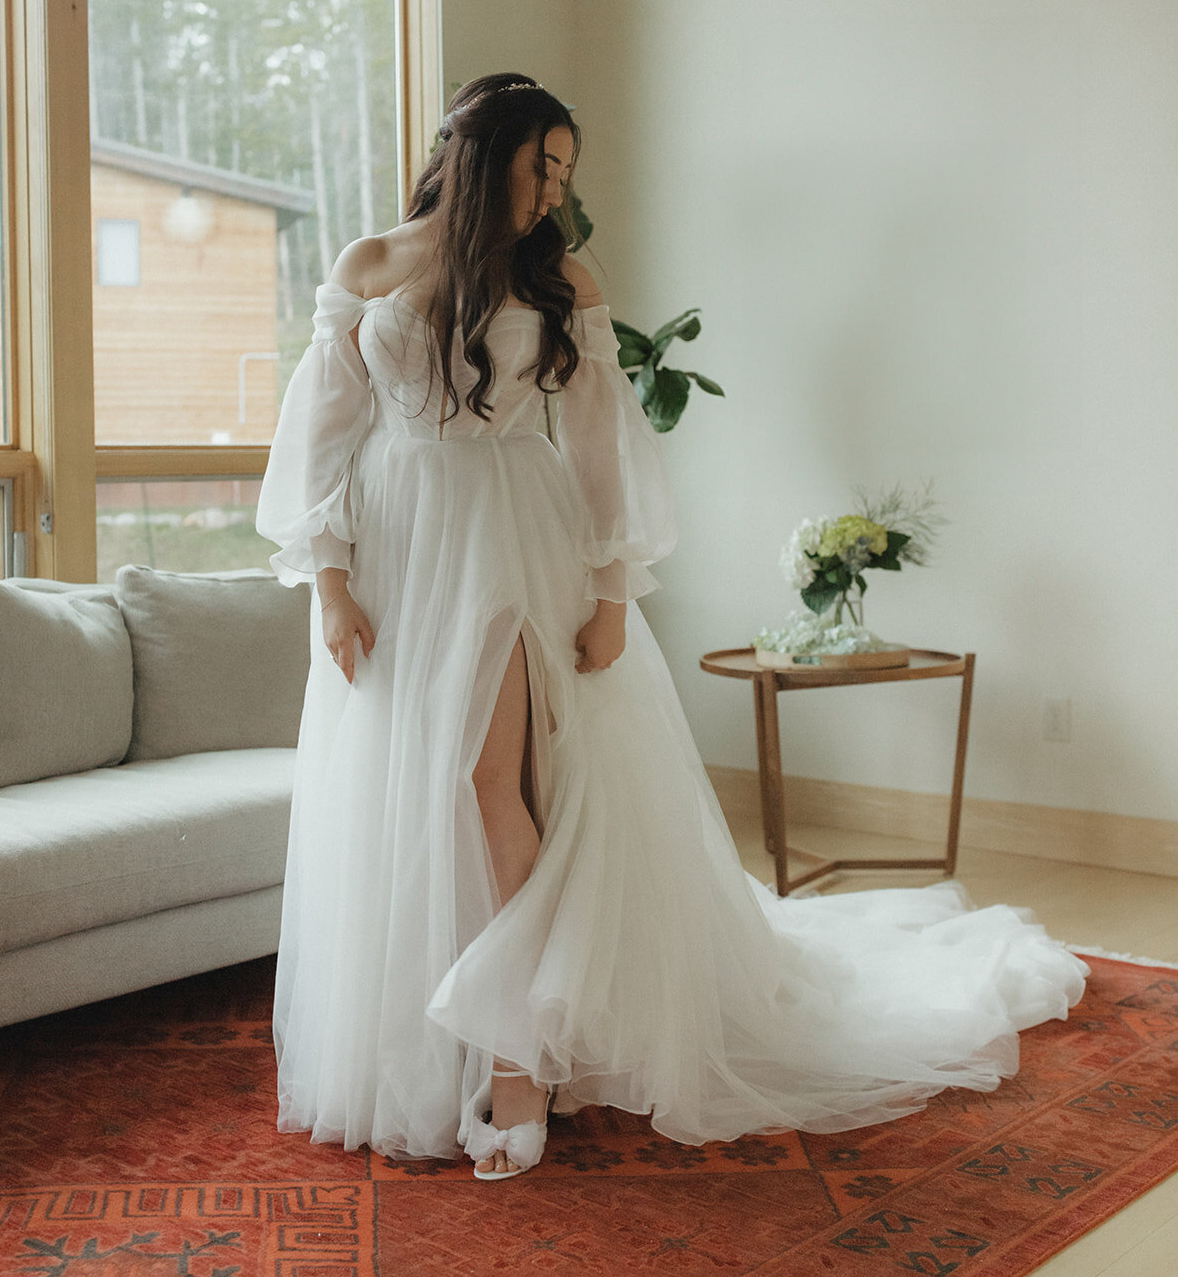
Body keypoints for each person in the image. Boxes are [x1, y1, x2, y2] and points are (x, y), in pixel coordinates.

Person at [256, 72, 1087, 1182]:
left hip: (514, 541)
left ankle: (518, 1058)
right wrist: (331, 578)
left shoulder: (560, 282)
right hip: (401, 547)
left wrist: (609, 593)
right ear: (482, 152)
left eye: (565, 170)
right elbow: (323, 431)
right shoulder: (370, 266)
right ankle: (441, 1036)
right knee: (413, 798)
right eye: (539, 163)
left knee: (485, 787)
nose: (553, 189)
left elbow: (601, 448)